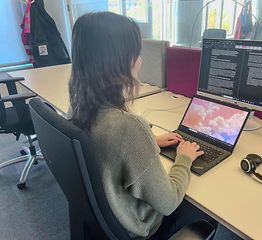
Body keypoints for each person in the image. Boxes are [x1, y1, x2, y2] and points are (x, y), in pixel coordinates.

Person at [69, 12, 218, 239]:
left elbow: (105, 150)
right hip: (142, 228)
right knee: (211, 207)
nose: (140, 61)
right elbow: (168, 203)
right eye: (135, 54)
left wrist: (152, 142)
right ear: (116, 62)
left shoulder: (79, 107)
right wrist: (184, 158)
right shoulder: (128, 128)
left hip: (108, 219)